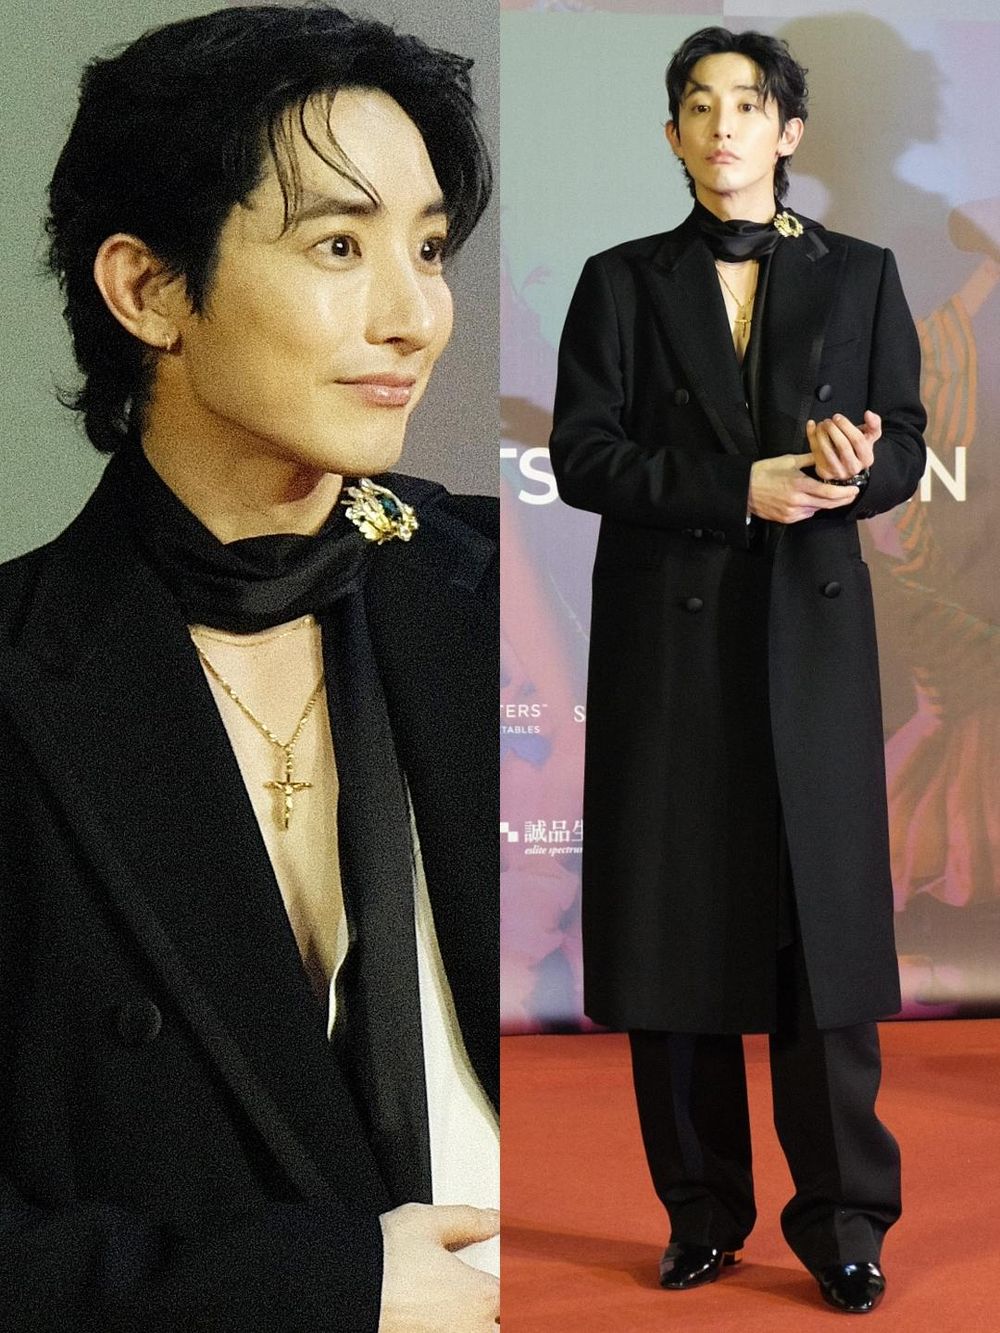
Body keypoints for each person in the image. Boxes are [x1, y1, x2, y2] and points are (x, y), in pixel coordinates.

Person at [0, 7, 498, 1330]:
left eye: (429, 248)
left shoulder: (513, 590)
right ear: (150, 290)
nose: (414, 317)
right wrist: (319, 1291)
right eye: (339, 245)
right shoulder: (23, 675)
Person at [549, 26, 926, 1316]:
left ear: (788, 131)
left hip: (811, 644)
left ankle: (847, 1224)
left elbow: (905, 442)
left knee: (825, 942)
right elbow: (584, 456)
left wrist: (855, 467)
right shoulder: (618, 281)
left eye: (749, 105)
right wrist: (733, 488)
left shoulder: (863, 274)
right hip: (669, 648)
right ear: (673, 135)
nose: (724, 126)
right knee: (674, 933)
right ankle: (702, 1214)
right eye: (700, 107)